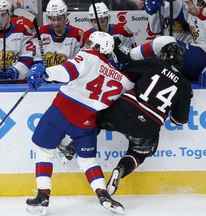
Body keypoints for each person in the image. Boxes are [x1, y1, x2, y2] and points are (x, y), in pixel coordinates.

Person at [58, 42, 193, 197]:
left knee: (96, 118)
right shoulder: (185, 85)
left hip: (124, 110)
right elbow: (179, 121)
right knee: (139, 152)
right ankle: (120, 169)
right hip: (148, 126)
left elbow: (124, 76)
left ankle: (72, 148)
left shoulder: (153, 63)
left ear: (162, 55)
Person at [25, 31, 135, 216]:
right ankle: (103, 194)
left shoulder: (88, 56)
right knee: (88, 161)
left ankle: (43, 194)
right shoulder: (123, 80)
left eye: (92, 43)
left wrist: (45, 73)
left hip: (61, 111)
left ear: (99, 48)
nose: (88, 46)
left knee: (44, 151)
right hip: (87, 121)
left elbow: (68, 71)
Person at [82, 2, 136, 70]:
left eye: (103, 21)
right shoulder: (86, 36)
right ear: (91, 22)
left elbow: (133, 56)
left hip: (123, 72)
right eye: (96, 22)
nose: (100, 25)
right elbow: (85, 63)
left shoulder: (122, 31)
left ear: (108, 18)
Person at [33, 0, 84, 67]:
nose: (56, 23)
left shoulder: (77, 34)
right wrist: (38, 67)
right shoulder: (41, 33)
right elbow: (36, 59)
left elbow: (79, 64)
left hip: (68, 75)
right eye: (53, 19)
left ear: (65, 16)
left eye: (59, 19)